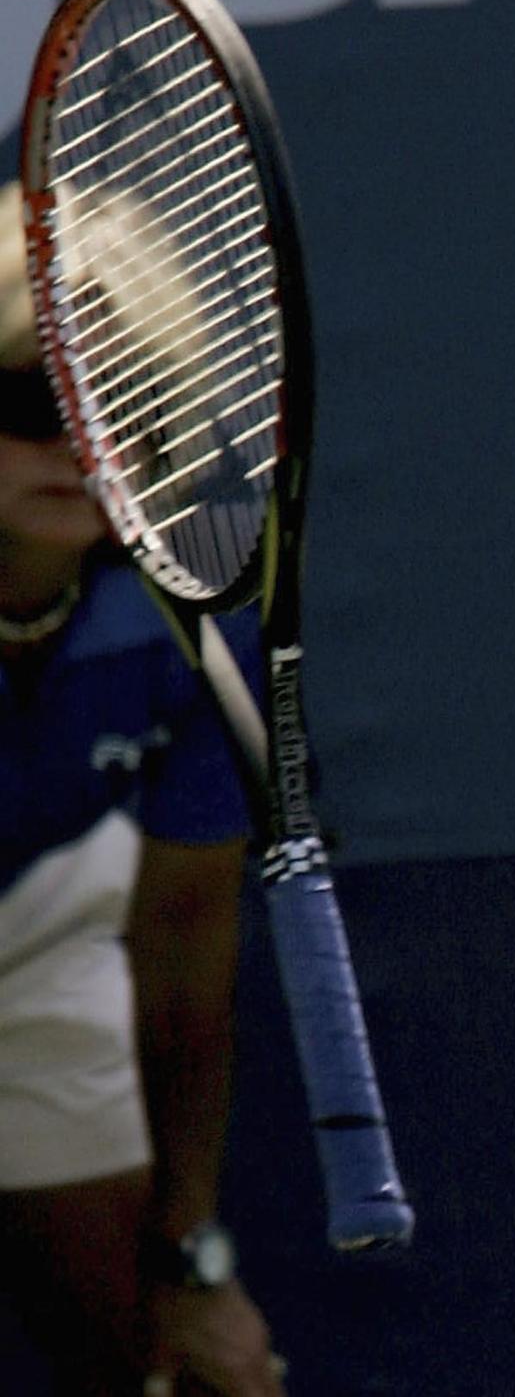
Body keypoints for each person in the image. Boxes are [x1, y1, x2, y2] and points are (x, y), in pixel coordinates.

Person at [1, 184, 286, 1395]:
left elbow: (180, 947)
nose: (74, 448)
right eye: (22, 403)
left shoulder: (187, 626)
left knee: (172, 1372)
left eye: (110, 407)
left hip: (36, 951)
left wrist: (191, 1254)